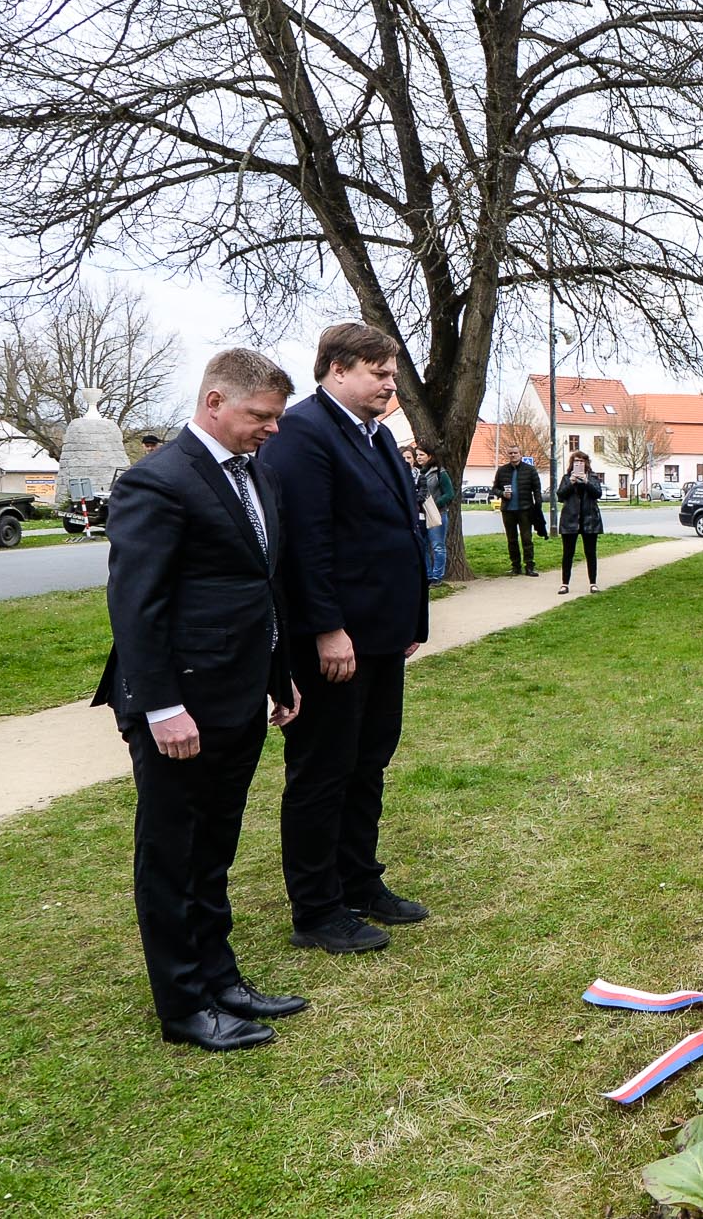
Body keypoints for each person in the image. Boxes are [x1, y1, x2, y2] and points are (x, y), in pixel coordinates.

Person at [94, 349, 305, 1051]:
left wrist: (278, 678)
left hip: (239, 695)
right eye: (261, 416)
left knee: (213, 848)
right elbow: (136, 603)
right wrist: (160, 707)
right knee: (172, 853)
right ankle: (183, 1004)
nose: (272, 429)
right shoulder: (157, 481)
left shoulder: (255, 476)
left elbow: (261, 586)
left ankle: (222, 977)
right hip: (178, 705)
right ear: (215, 401)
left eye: (277, 416)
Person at [262, 321, 432, 955]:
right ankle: (317, 907)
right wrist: (329, 629)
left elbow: (400, 531)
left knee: (369, 762)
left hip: (382, 637)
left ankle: (360, 881)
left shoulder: (378, 435)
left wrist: (411, 619)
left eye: (391, 373)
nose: (390, 384)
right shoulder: (304, 434)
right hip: (332, 643)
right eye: (378, 372)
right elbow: (306, 545)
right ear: (336, 369)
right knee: (323, 770)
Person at [555, 449, 605, 594]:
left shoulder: (593, 477)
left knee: (590, 552)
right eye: (576, 461)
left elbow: (598, 493)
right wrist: (571, 483)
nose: (579, 464)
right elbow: (560, 496)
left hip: (589, 520)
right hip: (570, 520)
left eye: (581, 461)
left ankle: (593, 583)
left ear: (586, 463)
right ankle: (564, 584)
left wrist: (586, 481)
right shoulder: (566, 478)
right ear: (572, 463)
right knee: (568, 553)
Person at [490, 446, 542, 576]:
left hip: (525, 509)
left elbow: (537, 489)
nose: (513, 455)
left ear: (520, 454)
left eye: (515, 453)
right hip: (508, 510)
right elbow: (494, 488)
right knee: (511, 539)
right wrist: (502, 494)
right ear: (508, 455)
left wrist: (538, 506)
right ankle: (515, 566)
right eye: (511, 453)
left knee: (526, 539)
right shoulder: (502, 471)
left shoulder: (530, 470)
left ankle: (529, 566)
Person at [408, 444, 455, 585]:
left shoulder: (440, 472)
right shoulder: (418, 473)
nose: (418, 458)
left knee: (437, 546)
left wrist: (435, 504)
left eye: (421, 454)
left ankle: (437, 576)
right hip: (422, 515)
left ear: (430, 456)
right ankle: (427, 575)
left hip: (437, 514)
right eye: (417, 455)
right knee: (423, 546)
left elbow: (450, 494)